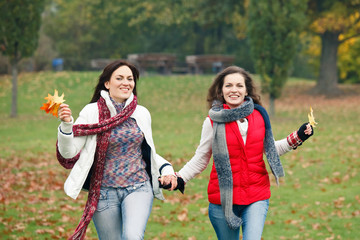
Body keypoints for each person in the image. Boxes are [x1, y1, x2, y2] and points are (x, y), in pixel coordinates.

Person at [176, 66, 314, 240]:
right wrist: (179, 177)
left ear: (246, 90)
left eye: (239, 86)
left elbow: (270, 149)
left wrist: (298, 137)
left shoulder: (260, 115)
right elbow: (201, 158)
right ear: (221, 90)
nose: (234, 90)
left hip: (256, 195)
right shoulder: (212, 122)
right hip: (222, 201)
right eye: (229, 86)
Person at [56, 60, 178, 240]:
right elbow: (69, 153)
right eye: (119, 78)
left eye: (130, 79)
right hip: (104, 192)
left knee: (132, 237)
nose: (126, 82)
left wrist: (167, 169)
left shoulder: (141, 113)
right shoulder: (91, 112)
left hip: (138, 187)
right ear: (107, 83)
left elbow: (148, 151)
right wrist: (67, 126)